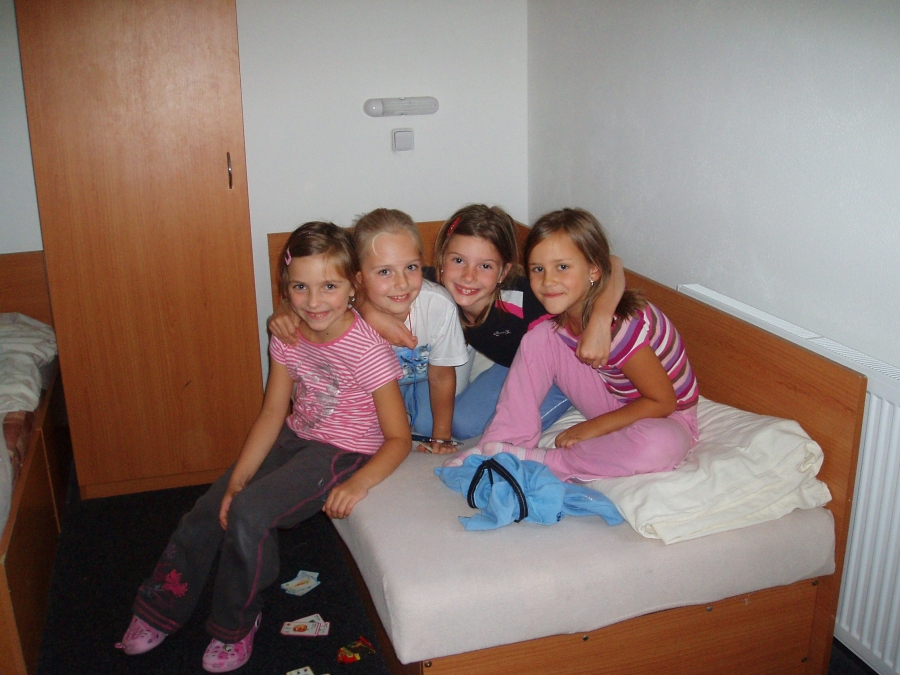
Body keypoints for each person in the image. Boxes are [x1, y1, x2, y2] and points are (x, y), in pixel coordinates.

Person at [116, 222, 410, 672]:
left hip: (343, 450)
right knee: (208, 509)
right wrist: (236, 481)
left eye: (329, 286)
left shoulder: (367, 351)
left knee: (250, 513)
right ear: (285, 288)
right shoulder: (287, 334)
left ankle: (235, 625)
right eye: (300, 287)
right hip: (297, 434)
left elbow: (398, 438)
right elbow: (273, 412)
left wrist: (361, 482)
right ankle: (159, 607)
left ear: (353, 286)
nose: (314, 302)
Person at [447, 208, 699, 481]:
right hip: (611, 398)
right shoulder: (562, 319)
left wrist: (592, 428)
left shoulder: (621, 326)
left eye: (562, 267)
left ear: (593, 270)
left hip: (665, 415)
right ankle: (500, 446)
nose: (548, 281)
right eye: (538, 269)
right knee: (539, 336)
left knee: (658, 446)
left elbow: (663, 402)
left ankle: (551, 461)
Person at [269, 209, 468, 454]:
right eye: (385, 271)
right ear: (358, 278)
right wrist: (285, 309)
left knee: (428, 426)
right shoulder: (340, 306)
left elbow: (442, 378)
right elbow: (308, 303)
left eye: (411, 267)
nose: (402, 283)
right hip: (381, 387)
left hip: (428, 378)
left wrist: (441, 437)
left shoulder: (438, 305)